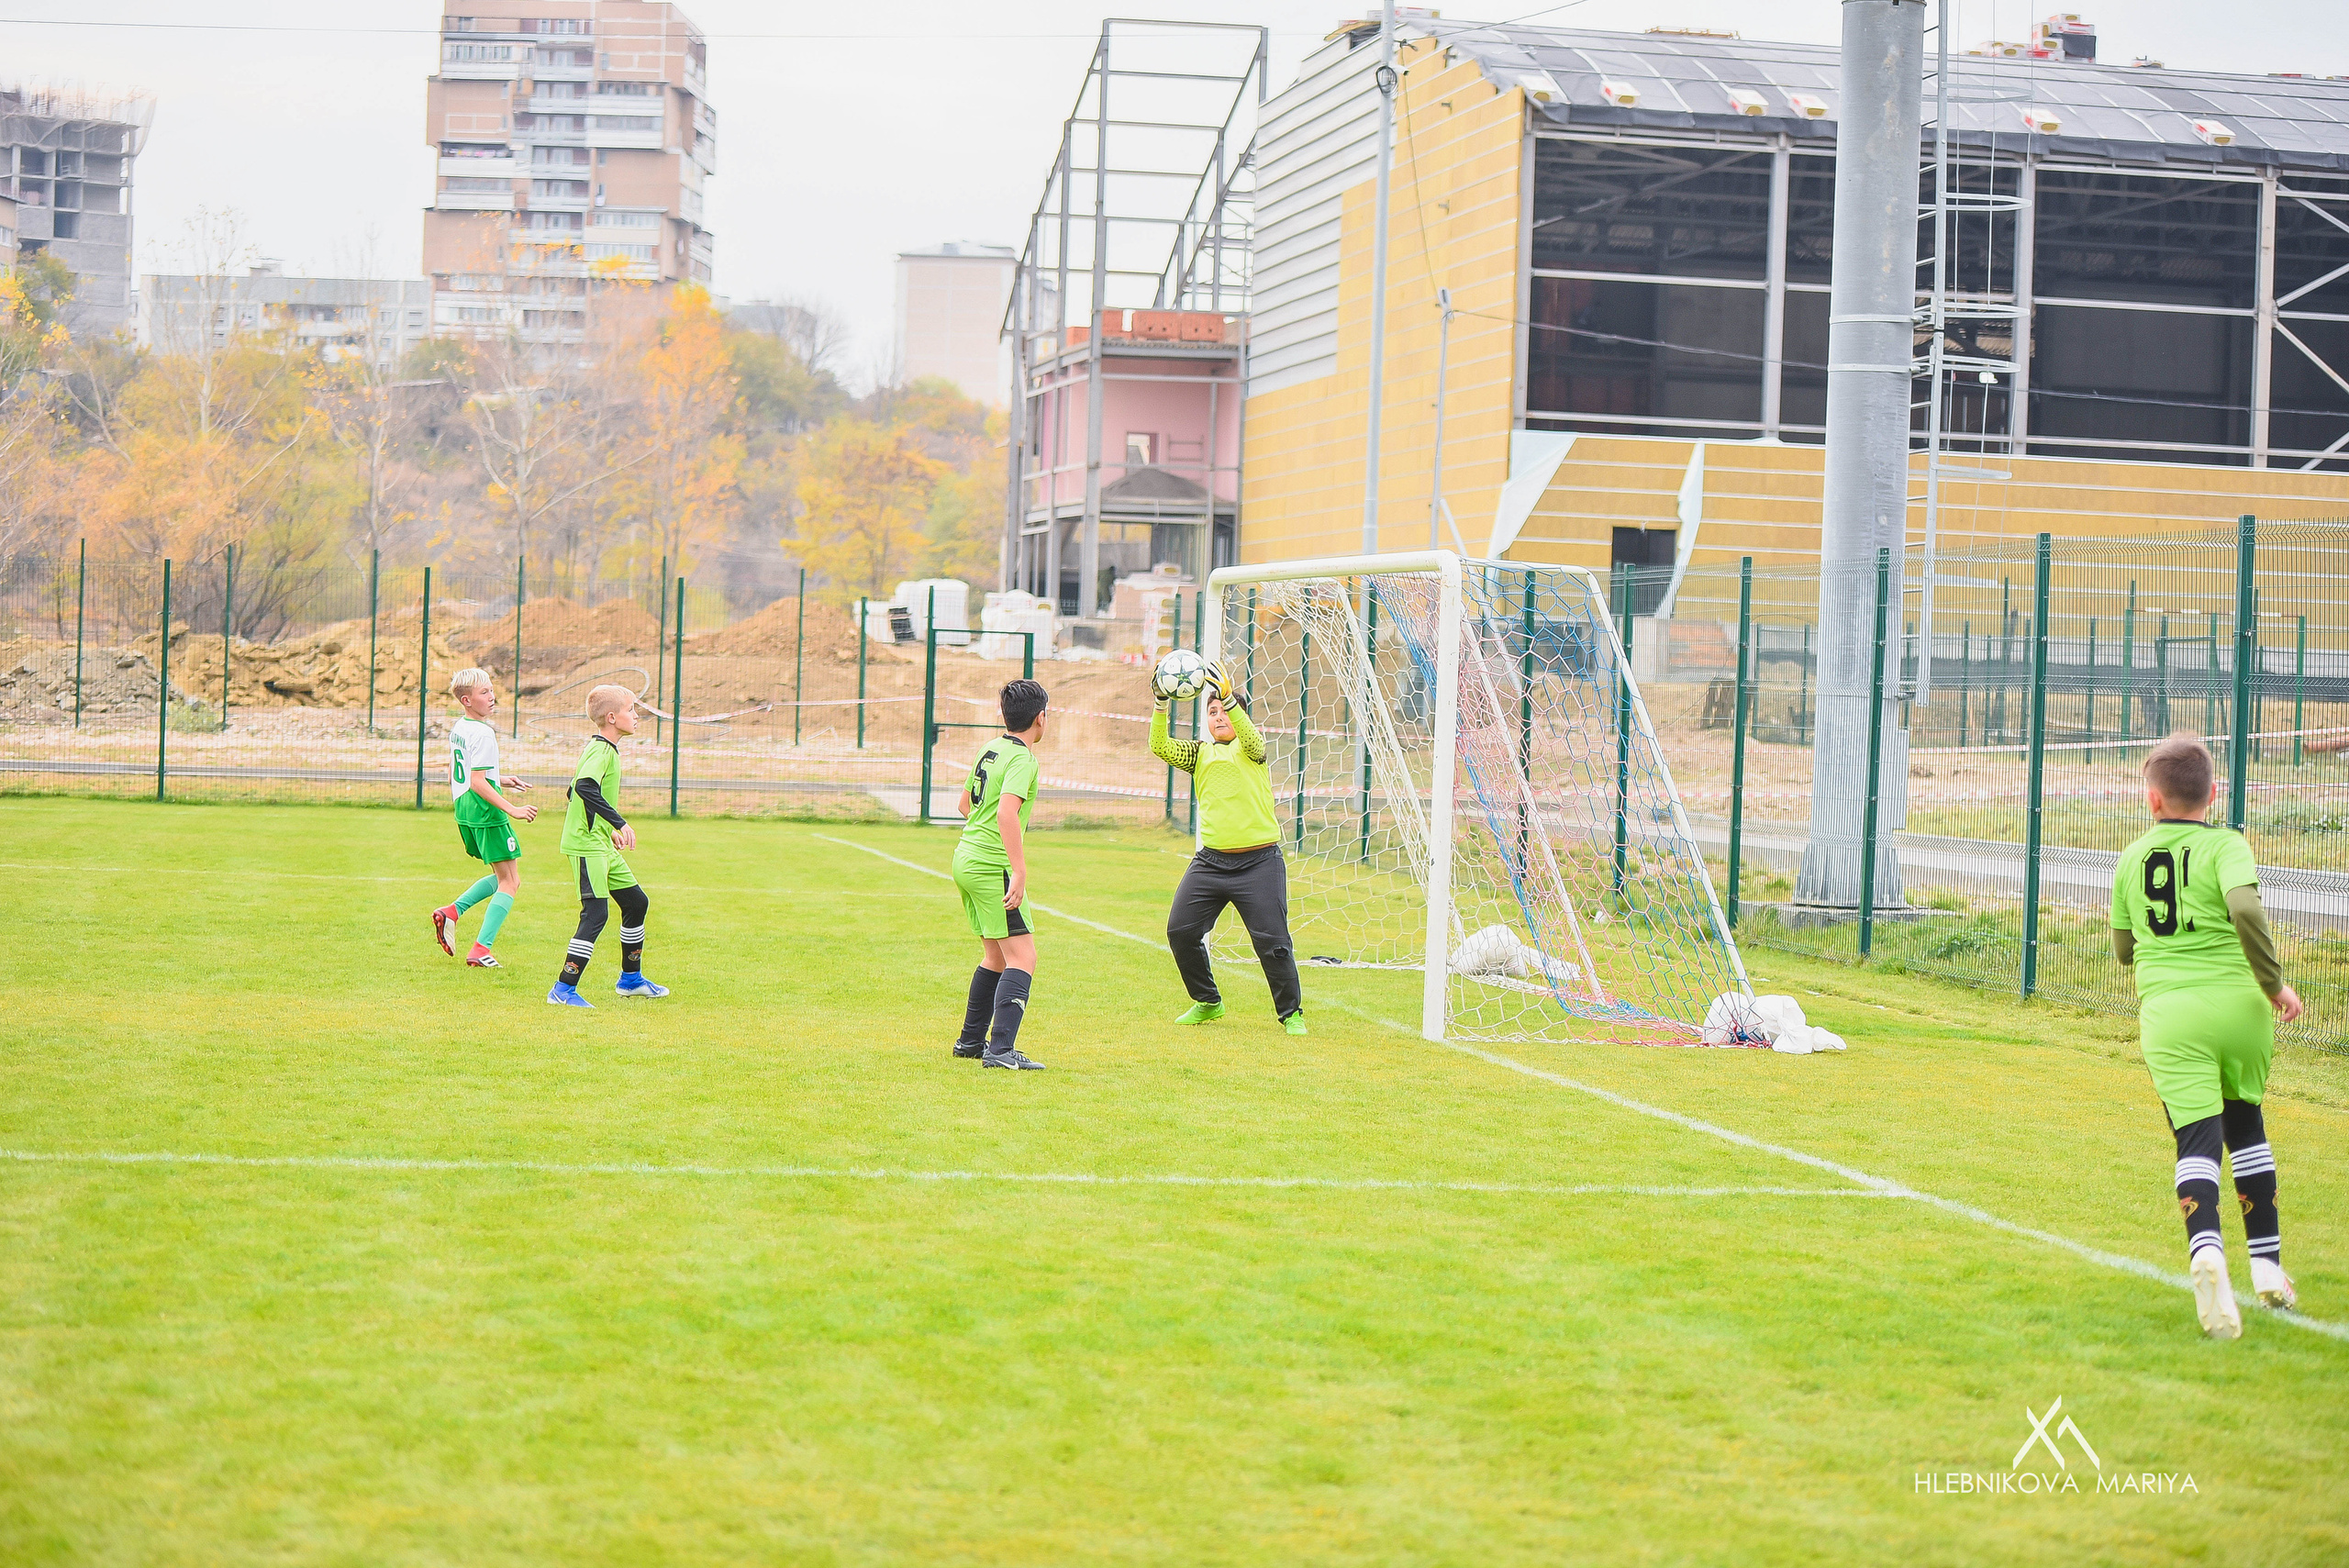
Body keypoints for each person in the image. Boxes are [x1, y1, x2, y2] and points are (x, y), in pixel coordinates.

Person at [2111, 733, 2304, 1338]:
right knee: (2246, 1123)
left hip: (2172, 1013)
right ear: (2213, 792)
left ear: (2152, 800)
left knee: (2197, 1138)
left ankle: (2207, 1251)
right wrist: (2274, 983)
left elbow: (2123, 949)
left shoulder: (2131, 857)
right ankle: (2269, 1268)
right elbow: (2245, 909)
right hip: (2240, 1005)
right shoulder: (2227, 844)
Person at [1153, 663, 1306, 1035]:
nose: (1218, 715)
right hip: (1210, 864)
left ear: (1238, 717)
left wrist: (1228, 697)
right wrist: (1160, 703)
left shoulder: (1251, 750)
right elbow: (1159, 745)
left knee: (1273, 943)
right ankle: (1208, 1002)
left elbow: (1255, 741)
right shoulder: (1199, 754)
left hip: (1259, 864)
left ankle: (1291, 1014)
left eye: (1224, 709)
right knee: (1180, 931)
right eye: (1212, 711)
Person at [950, 678, 1050, 1070]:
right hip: (992, 867)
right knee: (1023, 957)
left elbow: (964, 805)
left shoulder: (989, 748)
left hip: (965, 858)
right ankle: (1001, 1051)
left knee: (995, 954)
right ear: (1041, 718)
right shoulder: (1024, 760)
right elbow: (1006, 812)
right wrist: (1019, 871)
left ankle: (971, 1043)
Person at [549, 684, 667, 1008]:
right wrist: (619, 823)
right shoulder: (602, 751)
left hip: (600, 842)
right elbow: (585, 787)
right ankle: (563, 989)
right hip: (587, 846)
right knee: (596, 913)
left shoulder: (602, 749)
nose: (637, 716)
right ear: (612, 717)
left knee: (636, 903)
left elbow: (573, 791)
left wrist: (605, 828)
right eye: (632, 710)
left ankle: (631, 981)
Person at [431, 668, 537, 968]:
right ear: (467, 700)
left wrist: (499, 778)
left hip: (464, 810)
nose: (492, 698)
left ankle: (452, 912)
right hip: (485, 812)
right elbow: (477, 781)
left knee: (504, 877)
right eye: (484, 693)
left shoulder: (460, 728)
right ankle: (480, 949)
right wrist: (512, 809)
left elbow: (459, 772)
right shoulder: (484, 732)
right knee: (511, 881)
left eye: (491, 691)